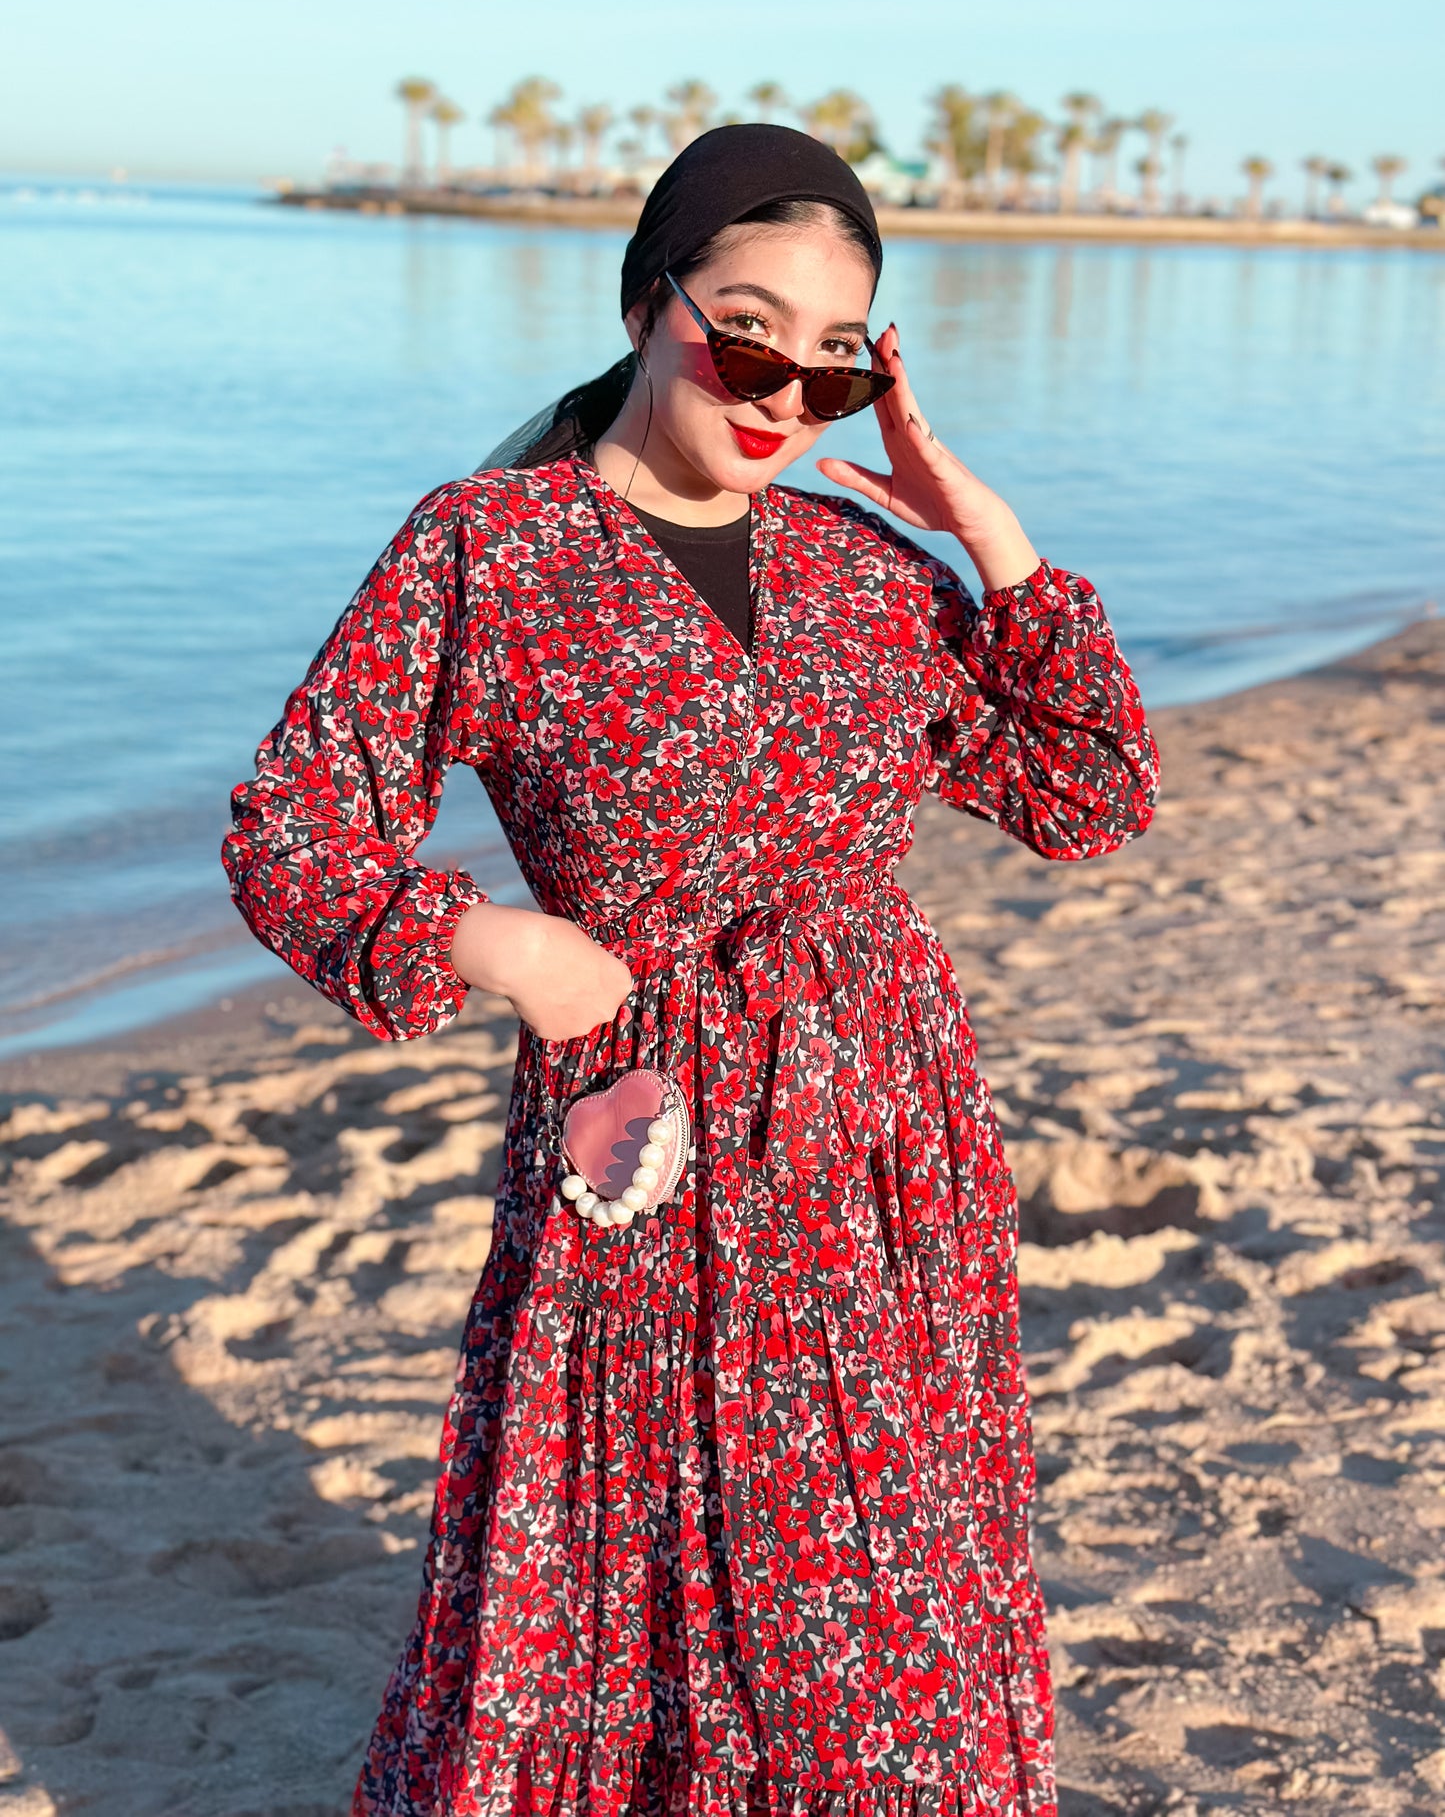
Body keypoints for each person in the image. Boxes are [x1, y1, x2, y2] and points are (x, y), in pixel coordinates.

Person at [223, 123, 1159, 1817]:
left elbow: (1091, 795)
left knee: (883, 1561)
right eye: (742, 327)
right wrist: (483, 938)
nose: (778, 390)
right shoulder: (489, 549)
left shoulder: (873, 575)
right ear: (652, 303)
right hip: (639, 1128)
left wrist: (992, 539)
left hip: (880, 1126)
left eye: (834, 366)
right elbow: (295, 825)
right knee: (627, 1535)